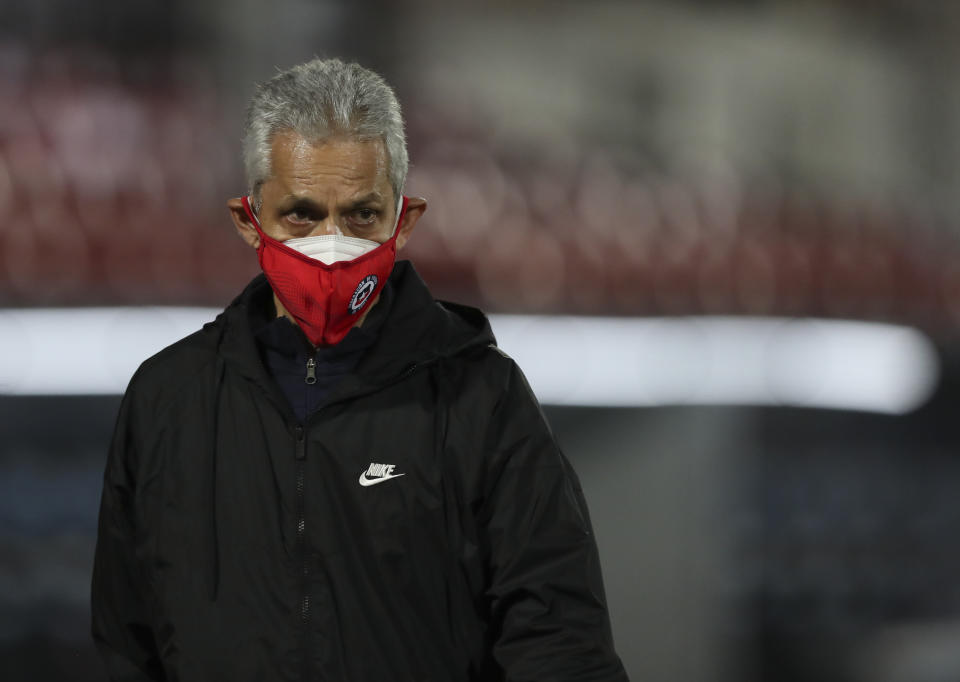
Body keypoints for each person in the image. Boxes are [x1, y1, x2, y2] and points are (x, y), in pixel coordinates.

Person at [91, 57, 628, 682]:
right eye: (301, 213)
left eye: (361, 216)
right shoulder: (168, 400)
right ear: (248, 220)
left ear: (403, 223)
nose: (332, 240)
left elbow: (560, 644)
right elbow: (126, 642)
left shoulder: (481, 399)